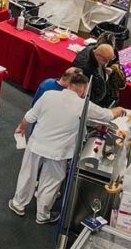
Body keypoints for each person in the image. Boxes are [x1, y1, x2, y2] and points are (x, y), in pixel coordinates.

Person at [11, 73, 123, 223]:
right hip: (59, 151)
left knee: (27, 175)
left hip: (37, 143)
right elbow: (107, 115)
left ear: (69, 84)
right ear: (83, 89)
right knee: (51, 182)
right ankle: (42, 215)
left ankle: (18, 204)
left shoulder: (49, 95)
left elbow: (30, 117)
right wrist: (119, 109)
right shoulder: (84, 105)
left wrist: (21, 128)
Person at [71, 43, 118, 108]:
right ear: (99, 56)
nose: (106, 63)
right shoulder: (87, 68)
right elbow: (90, 95)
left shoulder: (92, 49)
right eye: (105, 60)